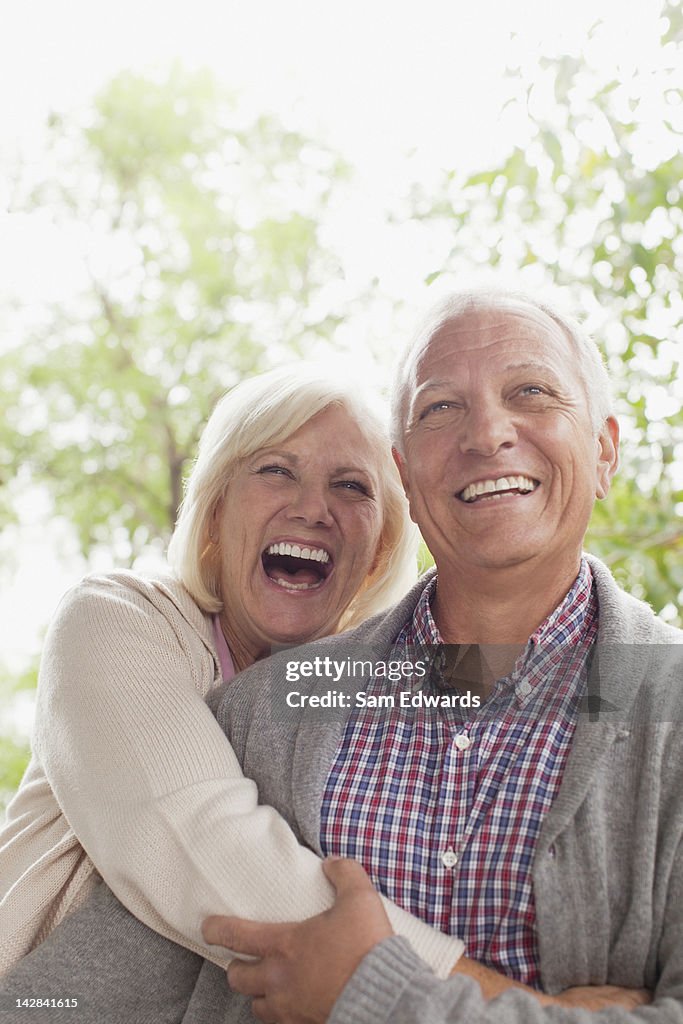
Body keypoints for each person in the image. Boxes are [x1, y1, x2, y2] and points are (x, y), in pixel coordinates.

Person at [193, 288, 682, 1023]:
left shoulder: (668, 704)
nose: (486, 433)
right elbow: (110, 983)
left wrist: (381, 996)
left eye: (530, 391)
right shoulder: (262, 709)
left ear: (603, 450)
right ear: (406, 477)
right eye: (440, 408)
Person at [0, 364, 465, 987]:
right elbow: (215, 855)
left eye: (351, 486)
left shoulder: (360, 685)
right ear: (217, 510)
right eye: (277, 469)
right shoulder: (114, 621)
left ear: (379, 546)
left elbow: (524, 687)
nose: (312, 508)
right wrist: (491, 1004)